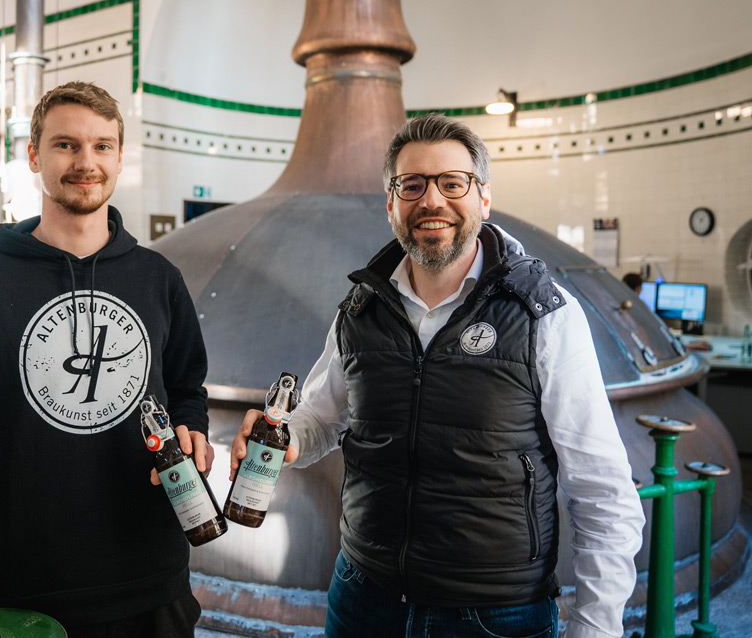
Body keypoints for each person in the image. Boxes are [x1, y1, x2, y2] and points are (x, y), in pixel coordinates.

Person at [230, 113, 645, 638]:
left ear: (483, 198)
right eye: (412, 185)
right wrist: (286, 437)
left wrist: (596, 626)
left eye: (453, 183)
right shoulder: (361, 309)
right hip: (364, 598)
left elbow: (602, 488)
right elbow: (323, 415)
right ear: (391, 204)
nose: (431, 201)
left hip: (494, 614)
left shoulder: (543, 313)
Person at [0, 81, 211, 638]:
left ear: (119, 157)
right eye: (66, 145)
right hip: (28, 595)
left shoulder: (159, 280)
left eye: (102, 146)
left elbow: (187, 388)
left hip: (155, 585)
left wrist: (192, 431)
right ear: (34, 156)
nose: (85, 162)